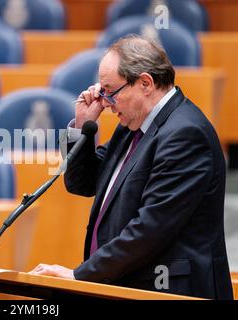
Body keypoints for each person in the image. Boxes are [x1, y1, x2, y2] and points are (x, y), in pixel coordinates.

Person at [30, 35, 233, 299]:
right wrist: (82, 128)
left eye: (109, 92)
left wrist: (78, 275)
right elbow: (82, 183)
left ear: (145, 83)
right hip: (130, 287)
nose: (106, 103)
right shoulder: (132, 127)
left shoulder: (185, 134)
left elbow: (150, 229)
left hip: (170, 291)